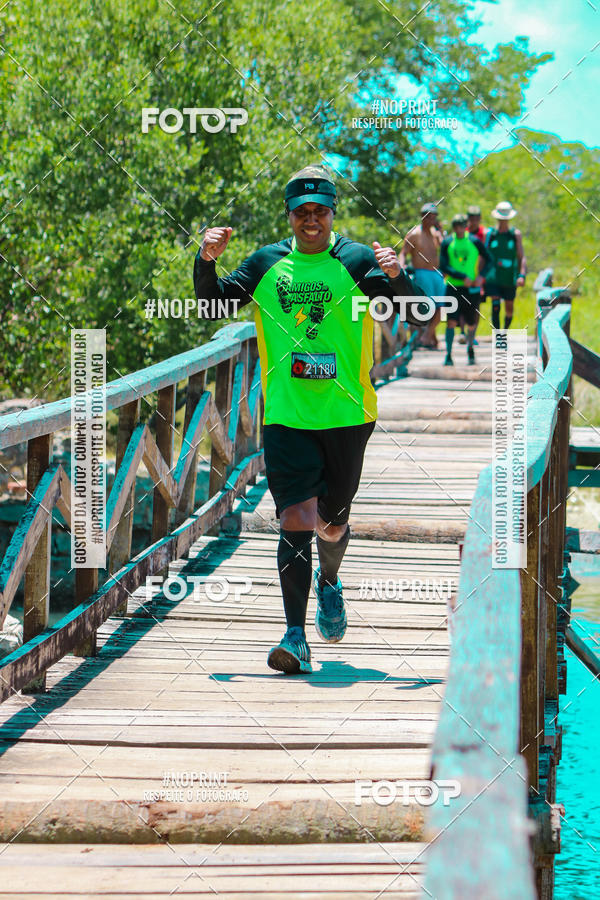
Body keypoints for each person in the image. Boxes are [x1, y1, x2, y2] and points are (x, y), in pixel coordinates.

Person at [193, 164, 416, 675]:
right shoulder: (267, 263)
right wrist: (205, 261)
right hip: (288, 416)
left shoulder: (357, 260)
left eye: (319, 212)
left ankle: (330, 583)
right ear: (290, 216)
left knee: (332, 523)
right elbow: (212, 306)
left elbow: (410, 311)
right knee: (297, 518)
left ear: (332, 213)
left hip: (346, 414)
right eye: (302, 213)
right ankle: (294, 636)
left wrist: (399, 276)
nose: (310, 221)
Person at [439, 213, 492, 367]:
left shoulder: (474, 241)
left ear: (466, 226)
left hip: (472, 289)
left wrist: (481, 276)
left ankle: (470, 350)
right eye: (456, 226)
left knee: (471, 322)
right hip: (453, 287)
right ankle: (448, 355)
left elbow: (489, 259)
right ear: (454, 227)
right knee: (451, 321)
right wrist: (462, 277)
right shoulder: (448, 242)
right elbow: (444, 265)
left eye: (462, 226)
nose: (459, 229)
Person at [398, 203, 445, 349]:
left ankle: (428, 336)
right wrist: (402, 266)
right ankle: (420, 337)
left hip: (436, 273)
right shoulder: (414, 233)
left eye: (433, 217)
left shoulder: (436, 234)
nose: (431, 219)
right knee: (426, 307)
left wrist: (441, 231)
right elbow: (403, 252)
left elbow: (444, 249)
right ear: (422, 216)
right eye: (428, 216)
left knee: (440, 308)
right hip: (422, 273)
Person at [484, 201, 527, 330]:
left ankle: (505, 330)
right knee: (495, 305)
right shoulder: (490, 234)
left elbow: (521, 257)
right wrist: (480, 275)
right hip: (493, 277)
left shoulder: (515, 235)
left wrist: (522, 275)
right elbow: (484, 256)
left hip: (509, 277)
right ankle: (498, 335)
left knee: (509, 308)